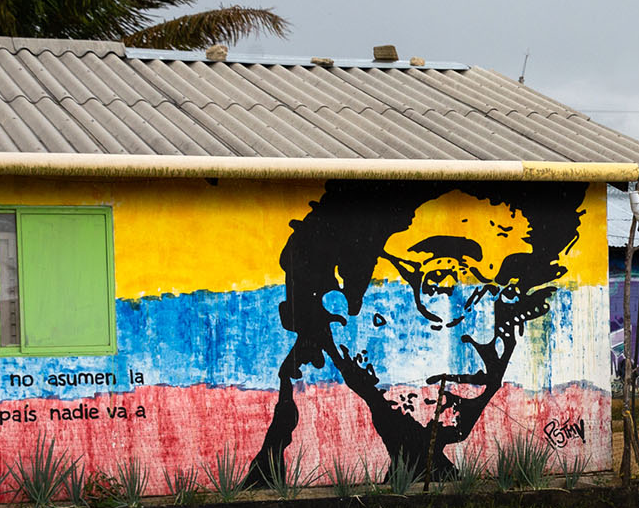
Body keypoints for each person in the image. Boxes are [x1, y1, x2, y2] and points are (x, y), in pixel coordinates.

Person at [248, 178, 587, 484]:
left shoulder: (418, 457)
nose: (488, 333)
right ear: (336, 301)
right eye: (441, 279)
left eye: (512, 290)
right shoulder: (299, 462)